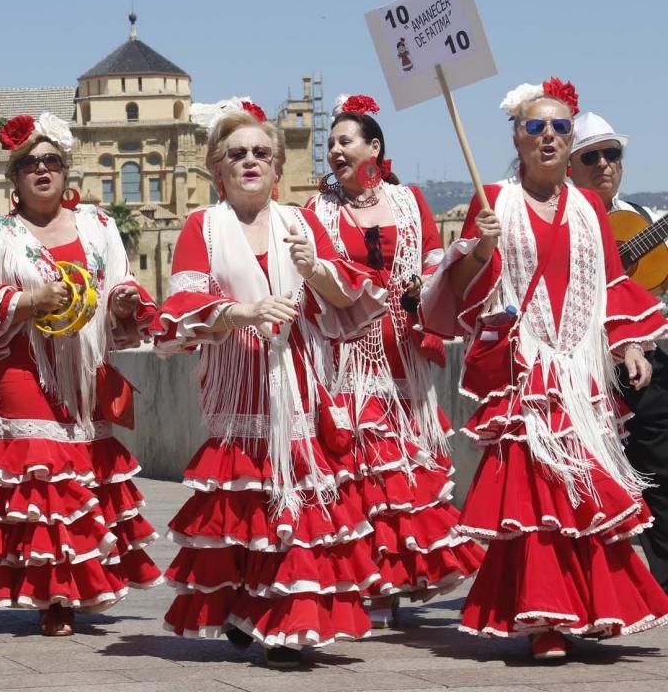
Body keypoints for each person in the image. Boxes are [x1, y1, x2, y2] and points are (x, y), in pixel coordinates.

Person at [422, 78, 668, 660]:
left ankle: (586, 607)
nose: (550, 136)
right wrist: (477, 250)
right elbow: (458, 298)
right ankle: (545, 623)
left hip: (580, 375)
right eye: (537, 127)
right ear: (517, 136)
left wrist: (627, 345)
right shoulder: (492, 202)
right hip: (522, 369)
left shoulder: (587, 207)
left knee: (584, 495)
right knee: (534, 499)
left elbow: (612, 284)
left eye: (561, 127)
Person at [155, 99, 386, 668]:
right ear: (217, 168)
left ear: (278, 167)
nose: (251, 161)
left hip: (299, 385)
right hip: (238, 390)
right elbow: (183, 302)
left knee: (298, 505)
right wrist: (241, 312)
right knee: (242, 511)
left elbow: (349, 298)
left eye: (262, 153)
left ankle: (287, 625)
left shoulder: (300, 223)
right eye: (238, 154)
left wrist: (315, 269)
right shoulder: (201, 227)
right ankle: (244, 605)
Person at [0, 111, 162, 637]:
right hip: (23, 368)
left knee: (86, 470)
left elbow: (123, 282)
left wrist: (123, 301)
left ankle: (81, 585)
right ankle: (53, 598)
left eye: (52, 160)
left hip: (88, 366)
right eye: (29, 163)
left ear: (66, 171)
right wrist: (29, 300)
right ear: (15, 178)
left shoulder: (99, 226)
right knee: (42, 474)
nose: (42, 170)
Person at [307, 93, 482, 625]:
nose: (335, 150)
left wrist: (455, 263)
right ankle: (367, 577)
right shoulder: (319, 209)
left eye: (346, 140)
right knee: (356, 460)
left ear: (374, 147)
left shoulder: (410, 202)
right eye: (331, 143)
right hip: (346, 351)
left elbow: (433, 262)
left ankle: (395, 576)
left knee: (399, 463)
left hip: (401, 350)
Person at [570, 112, 668, 593]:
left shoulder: (643, 222)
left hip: (646, 364)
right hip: (582, 369)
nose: (605, 164)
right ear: (569, 166)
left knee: (662, 473)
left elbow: (656, 288)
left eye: (613, 154)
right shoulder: (560, 220)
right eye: (592, 156)